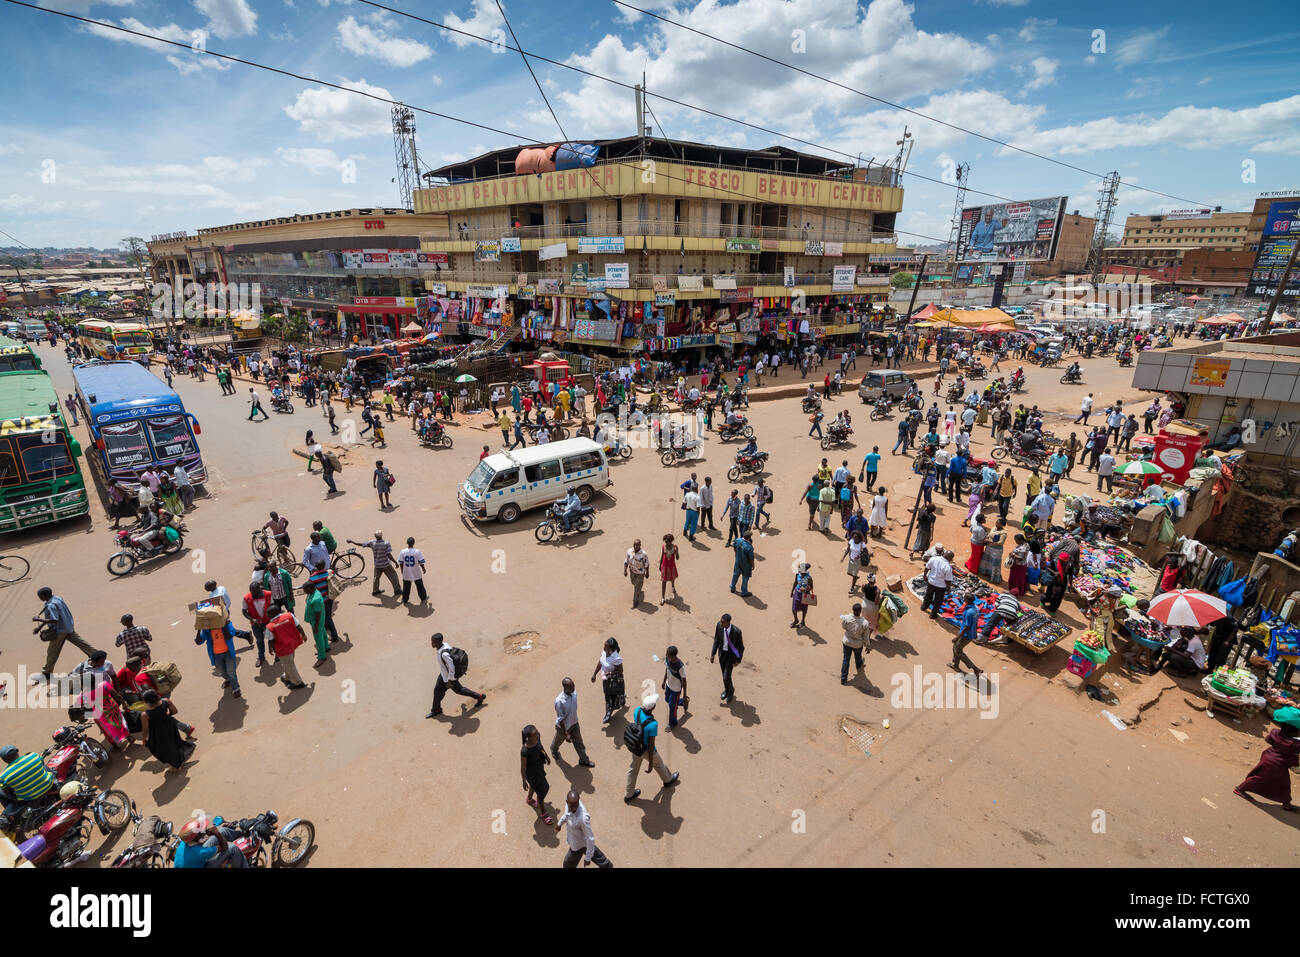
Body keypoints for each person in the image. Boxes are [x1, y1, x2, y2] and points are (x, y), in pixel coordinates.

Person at [1234, 707, 1300, 813]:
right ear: (1294, 732)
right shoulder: (1295, 743)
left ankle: (1286, 803)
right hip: (1276, 764)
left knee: (1285, 783)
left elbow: (1268, 740)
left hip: (1269, 758)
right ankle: (1240, 789)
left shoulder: (1275, 732)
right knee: (1260, 778)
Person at [32, 587, 98, 683]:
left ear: (45, 595)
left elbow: (54, 620)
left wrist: (38, 620)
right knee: (82, 643)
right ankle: (97, 656)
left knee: (52, 652)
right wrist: (39, 627)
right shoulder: (58, 598)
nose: (39, 598)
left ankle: (46, 673)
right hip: (68, 626)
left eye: (40, 596)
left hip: (59, 631)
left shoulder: (50, 605)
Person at [624, 694, 680, 803]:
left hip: (636, 747)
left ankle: (629, 794)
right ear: (653, 708)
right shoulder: (653, 724)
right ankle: (668, 780)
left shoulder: (637, 711)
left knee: (633, 769)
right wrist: (650, 763)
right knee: (659, 764)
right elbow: (650, 744)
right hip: (647, 750)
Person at [426, 632, 485, 718]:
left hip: (450, 677)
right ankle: (436, 709)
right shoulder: (444, 645)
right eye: (432, 641)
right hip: (443, 675)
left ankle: (479, 697)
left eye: (433, 641)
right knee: (437, 691)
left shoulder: (444, 654)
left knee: (459, 690)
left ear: (439, 642)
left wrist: (450, 681)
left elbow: (452, 668)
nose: (431, 643)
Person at [138, 689, 197, 771]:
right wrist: (166, 716)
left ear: (146, 701)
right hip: (170, 725)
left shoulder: (145, 715)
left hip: (158, 732)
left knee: (165, 749)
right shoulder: (166, 701)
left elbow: (145, 730)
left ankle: (176, 766)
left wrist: (144, 740)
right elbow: (174, 711)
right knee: (175, 741)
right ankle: (179, 760)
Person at [555, 791, 612, 868]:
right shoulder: (570, 804)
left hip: (577, 846)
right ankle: (607, 865)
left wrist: (587, 858)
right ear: (567, 801)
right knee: (590, 849)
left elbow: (590, 839)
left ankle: (606, 865)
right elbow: (566, 814)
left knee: (567, 864)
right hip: (579, 840)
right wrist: (560, 823)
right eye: (571, 806)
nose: (573, 808)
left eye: (576, 806)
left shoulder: (583, 818)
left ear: (578, 801)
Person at [174, 818, 248, 869]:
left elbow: (199, 842)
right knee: (232, 848)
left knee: (223, 830)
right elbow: (224, 847)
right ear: (195, 837)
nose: (204, 829)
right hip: (204, 865)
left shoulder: (184, 843)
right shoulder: (199, 852)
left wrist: (211, 834)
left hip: (194, 862)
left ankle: (245, 833)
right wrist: (217, 833)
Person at [520, 725, 555, 826]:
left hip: (539, 768)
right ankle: (544, 813)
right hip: (532, 773)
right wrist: (523, 780)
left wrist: (546, 756)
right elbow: (523, 767)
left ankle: (530, 799)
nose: (537, 735)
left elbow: (541, 748)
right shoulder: (524, 751)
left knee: (534, 786)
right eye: (535, 735)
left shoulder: (537, 740)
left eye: (537, 733)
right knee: (543, 790)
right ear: (528, 737)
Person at [350, 531, 400, 597]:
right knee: (393, 576)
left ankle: (375, 591)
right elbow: (388, 554)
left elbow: (362, 544)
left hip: (377, 565)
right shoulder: (386, 543)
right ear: (382, 535)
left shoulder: (372, 542)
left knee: (376, 578)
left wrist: (352, 541)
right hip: (386, 564)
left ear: (375, 536)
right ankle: (397, 590)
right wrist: (395, 562)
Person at [591, 637, 625, 725]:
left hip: (613, 680)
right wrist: (594, 674)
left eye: (605, 646)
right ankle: (621, 697)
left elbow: (621, 671)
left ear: (611, 649)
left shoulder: (616, 658)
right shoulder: (604, 652)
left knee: (609, 697)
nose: (603, 647)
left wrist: (610, 673)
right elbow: (600, 662)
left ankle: (608, 714)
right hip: (605, 678)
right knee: (608, 694)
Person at [711, 614, 744, 704]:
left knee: (726, 677)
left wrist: (738, 660)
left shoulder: (737, 632)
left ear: (728, 623)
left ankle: (731, 692)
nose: (720, 623)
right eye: (721, 621)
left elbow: (741, 647)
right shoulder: (719, 626)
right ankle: (727, 690)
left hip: (731, 657)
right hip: (722, 655)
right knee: (724, 676)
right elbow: (716, 640)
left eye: (722, 622)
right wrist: (713, 653)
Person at [840, 602, 870, 685]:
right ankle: (858, 664)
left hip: (847, 642)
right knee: (858, 656)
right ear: (860, 611)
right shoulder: (865, 623)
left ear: (853, 610)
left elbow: (843, 627)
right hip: (858, 644)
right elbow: (866, 636)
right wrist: (868, 646)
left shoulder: (847, 618)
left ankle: (843, 678)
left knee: (846, 659)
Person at [921, 549, 954, 619]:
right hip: (941, 586)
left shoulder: (934, 559)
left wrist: (924, 575)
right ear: (950, 559)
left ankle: (924, 607)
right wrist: (949, 588)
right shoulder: (948, 567)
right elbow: (948, 580)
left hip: (931, 582)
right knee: (937, 601)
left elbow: (927, 567)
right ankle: (933, 614)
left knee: (928, 595)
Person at [662, 645, 688, 730]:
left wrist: (684, 695)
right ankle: (683, 702)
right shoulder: (667, 660)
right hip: (668, 685)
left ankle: (672, 723)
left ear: (673, 656)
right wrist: (663, 681)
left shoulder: (680, 666)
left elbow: (684, 681)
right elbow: (667, 669)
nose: (666, 655)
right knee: (667, 699)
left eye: (667, 654)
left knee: (672, 707)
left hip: (676, 689)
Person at [398, 536, 429, 605]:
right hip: (416, 572)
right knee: (420, 585)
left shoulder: (403, 551)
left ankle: (405, 599)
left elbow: (401, 562)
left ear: (407, 543)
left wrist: (402, 570)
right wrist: (423, 568)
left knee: (406, 587)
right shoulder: (417, 551)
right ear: (413, 543)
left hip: (406, 572)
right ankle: (423, 597)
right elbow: (421, 562)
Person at [624, 539, 649, 608]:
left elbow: (647, 564)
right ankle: (639, 591)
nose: (635, 546)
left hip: (641, 573)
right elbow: (626, 561)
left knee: (636, 586)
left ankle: (635, 601)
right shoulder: (629, 551)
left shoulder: (644, 554)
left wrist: (647, 573)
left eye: (637, 545)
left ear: (640, 545)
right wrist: (625, 570)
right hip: (632, 571)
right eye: (634, 545)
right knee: (633, 582)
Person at [730, 531, 754, 596]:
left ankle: (732, 587)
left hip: (738, 561)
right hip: (745, 565)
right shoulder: (749, 546)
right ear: (749, 538)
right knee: (745, 578)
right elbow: (751, 558)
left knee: (735, 574)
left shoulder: (738, 540)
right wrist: (753, 565)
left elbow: (734, 546)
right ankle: (744, 592)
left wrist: (736, 553)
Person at [790, 563, 814, 628]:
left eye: (800, 570)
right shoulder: (798, 575)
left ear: (804, 571)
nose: (799, 571)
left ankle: (803, 621)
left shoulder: (809, 578)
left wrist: (806, 589)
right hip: (797, 594)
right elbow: (795, 583)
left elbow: (811, 587)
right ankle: (796, 620)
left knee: (804, 609)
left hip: (805, 595)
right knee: (794, 609)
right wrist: (792, 591)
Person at [658, 534, 680, 603]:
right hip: (665, 566)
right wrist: (660, 565)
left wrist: (676, 552)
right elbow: (662, 556)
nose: (667, 543)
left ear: (671, 541)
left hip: (671, 566)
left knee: (672, 578)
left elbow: (677, 558)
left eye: (668, 541)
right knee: (664, 581)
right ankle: (663, 597)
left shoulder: (675, 547)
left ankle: (673, 586)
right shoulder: (663, 546)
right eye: (666, 541)